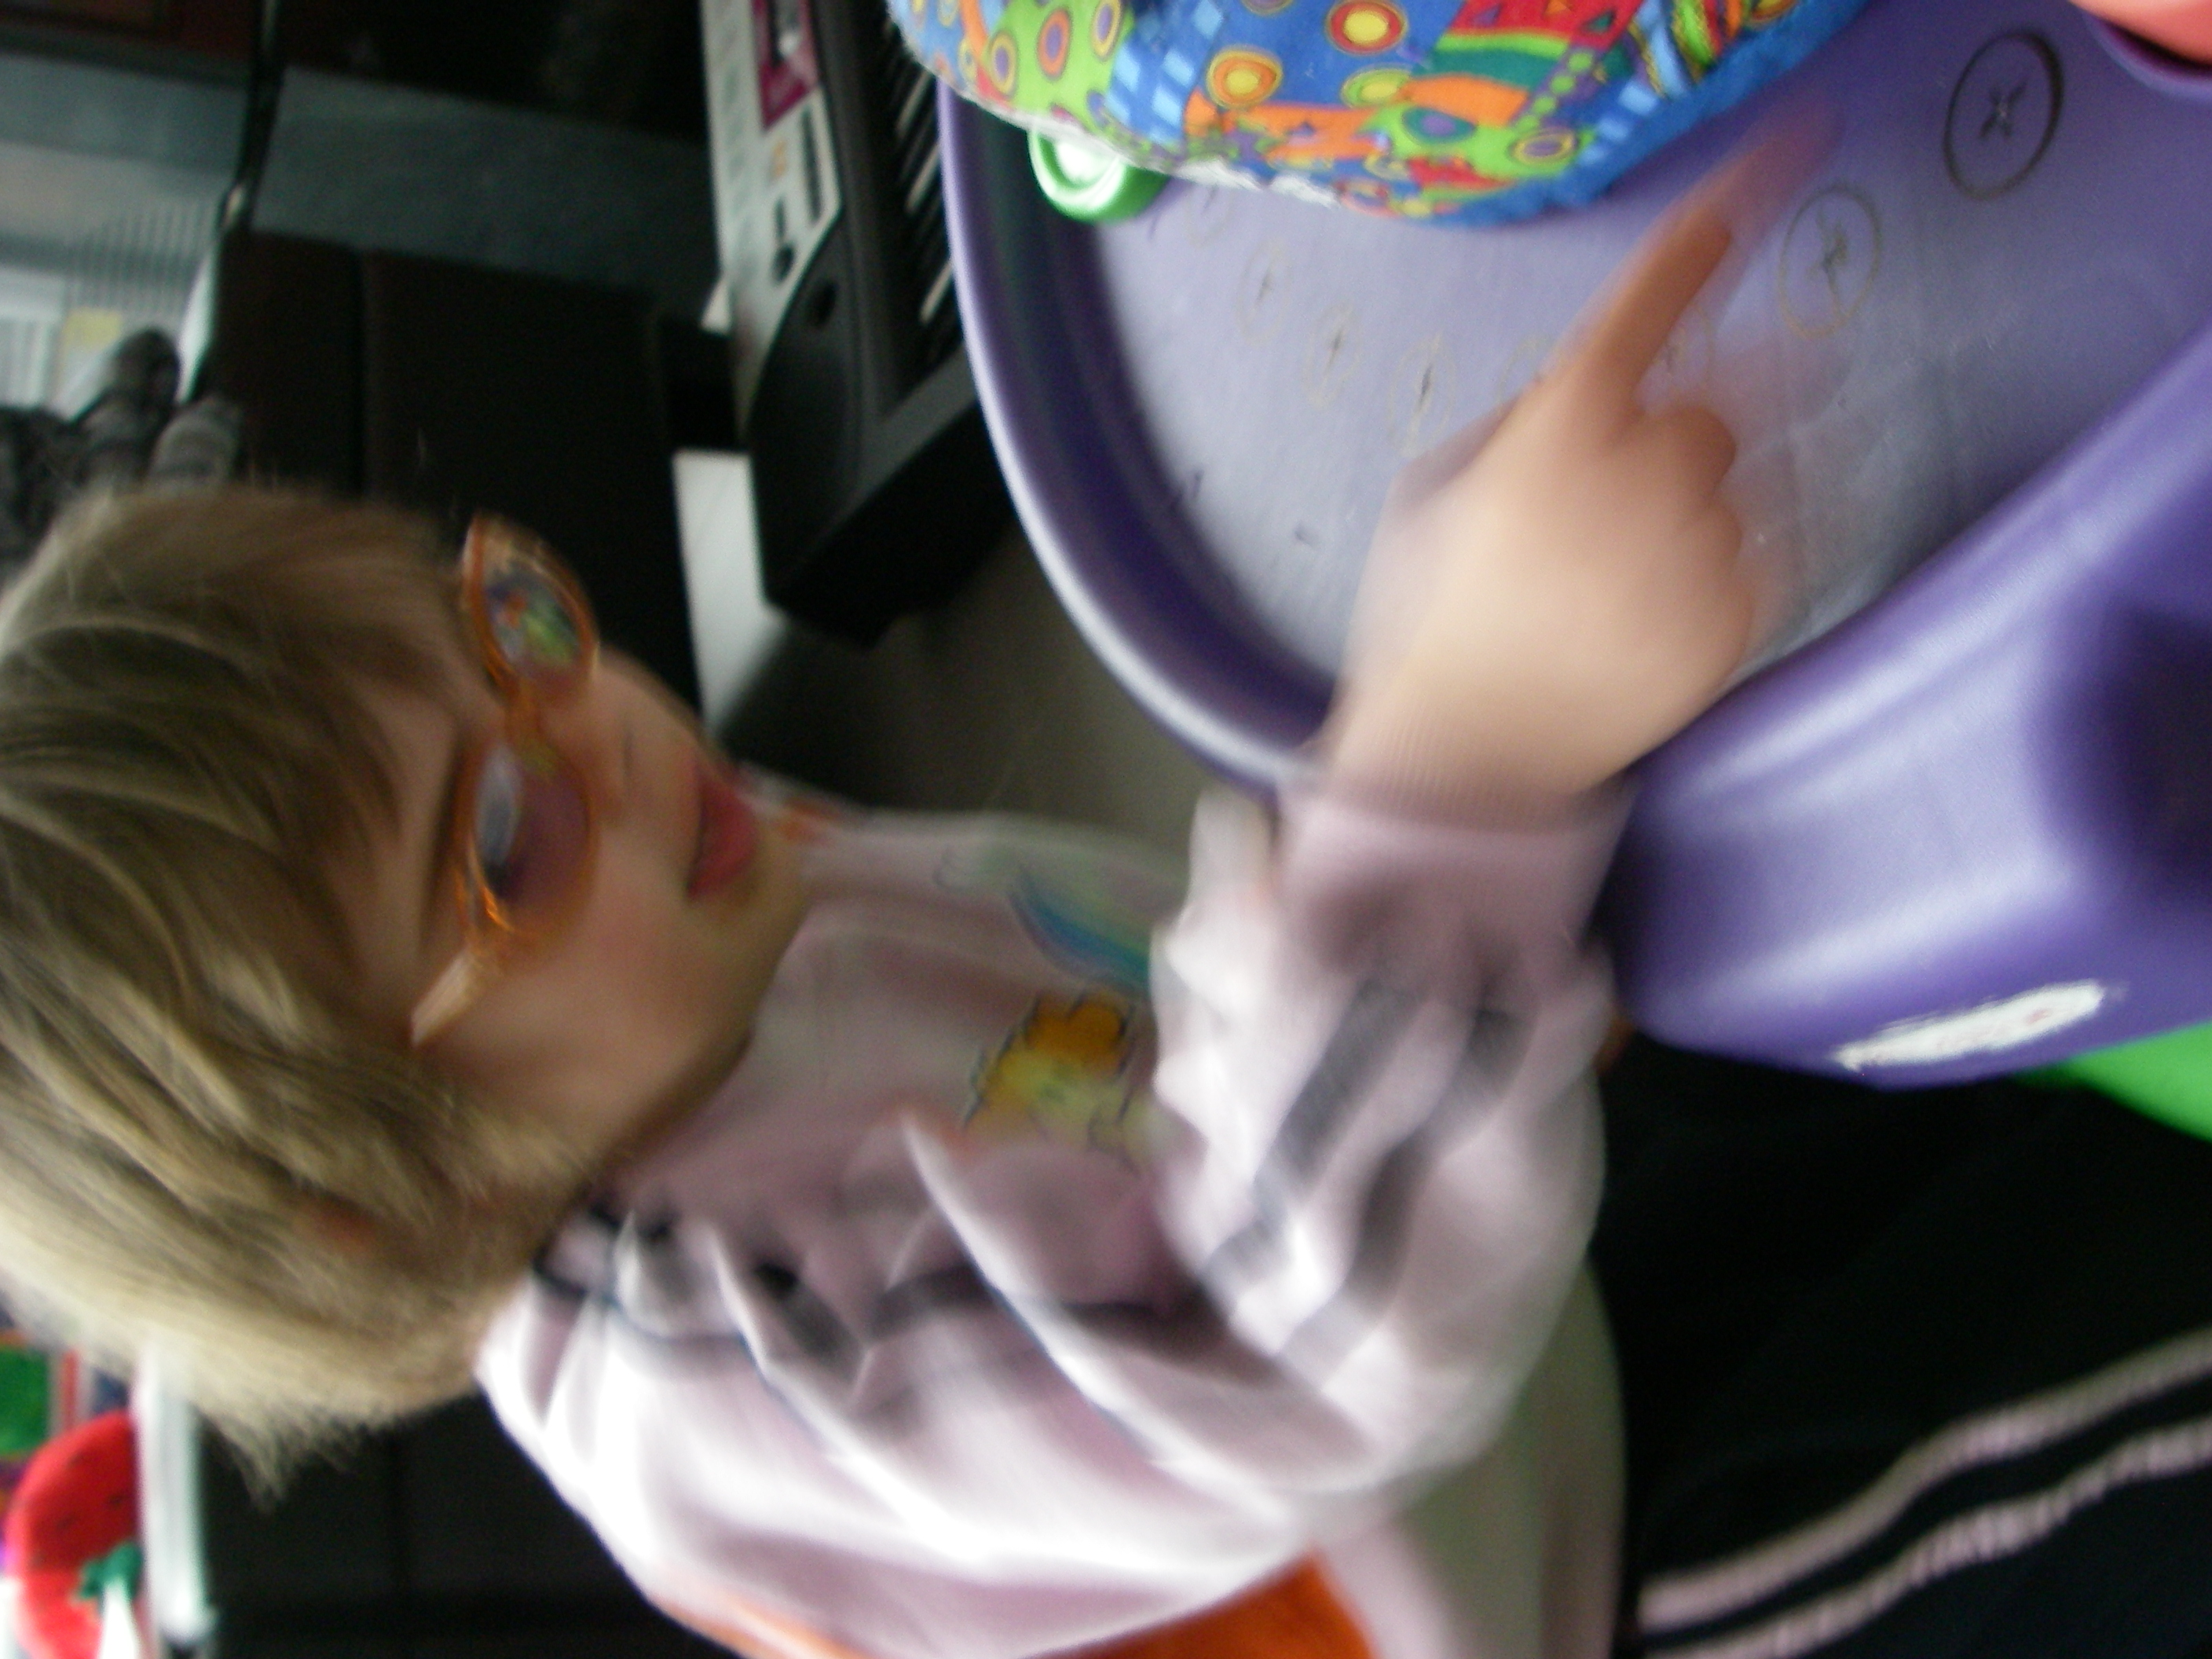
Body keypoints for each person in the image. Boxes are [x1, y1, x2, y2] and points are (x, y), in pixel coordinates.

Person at [0, 159, 1762, 1659]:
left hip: (1505, 1277)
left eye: (508, 635)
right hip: (1568, 1579)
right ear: (391, 1195)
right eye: (508, 835)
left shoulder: (691, 939)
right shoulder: (703, 1372)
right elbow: (1269, 1351)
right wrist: (1454, 771)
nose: (601, 731)